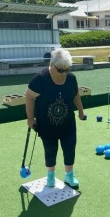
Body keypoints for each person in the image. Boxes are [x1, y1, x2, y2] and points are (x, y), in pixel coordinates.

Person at [25, 48, 85, 188]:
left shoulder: (71, 78)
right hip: (47, 124)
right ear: (52, 65)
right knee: (50, 150)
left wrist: (81, 111)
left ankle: (69, 176)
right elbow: (29, 96)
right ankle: (50, 176)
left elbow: (76, 96)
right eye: (60, 70)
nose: (64, 74)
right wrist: (30, 119)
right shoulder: (41, 79)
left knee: (70, 148)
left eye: (67, 70)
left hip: (68, 122)